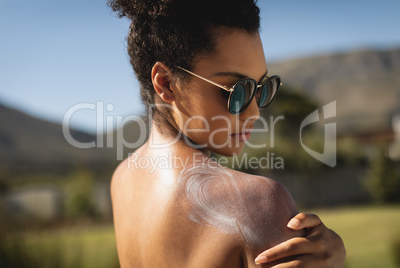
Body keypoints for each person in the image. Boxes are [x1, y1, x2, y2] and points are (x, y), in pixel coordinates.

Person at [108, 0, 346, 267]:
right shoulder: (258, 204)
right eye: (237, 91)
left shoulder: (122, 180)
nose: (254, 112)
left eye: (260, 88)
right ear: (166, 83)